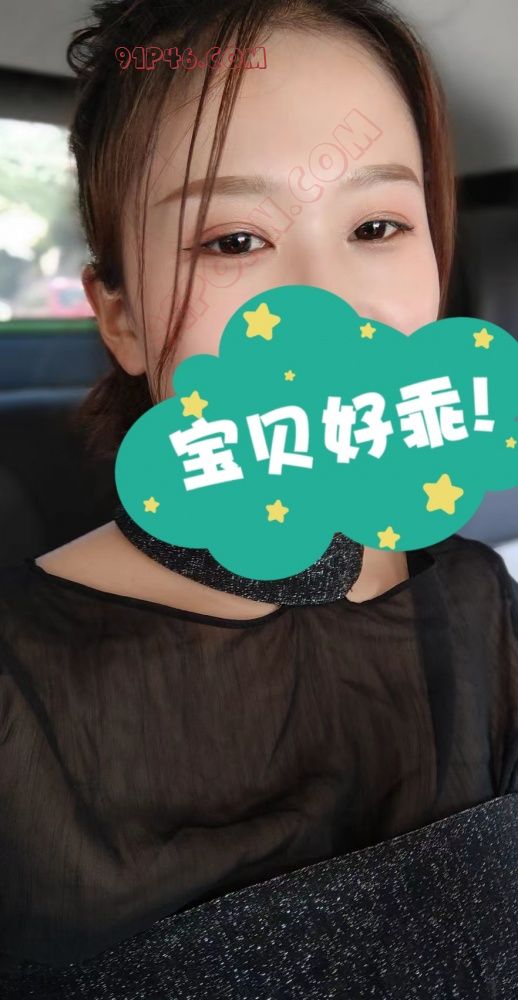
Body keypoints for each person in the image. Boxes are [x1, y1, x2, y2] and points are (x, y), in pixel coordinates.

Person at [0, 0, 517, 988]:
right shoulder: (19, 689)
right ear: (121, 317)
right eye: (233, 240)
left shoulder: (476, 600)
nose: (324, 303)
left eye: (376, 225)